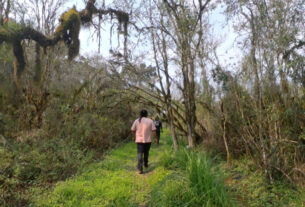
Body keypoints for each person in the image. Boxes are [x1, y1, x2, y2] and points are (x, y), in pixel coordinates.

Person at [131, 109, 157, 174]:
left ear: (140, 114)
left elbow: (133, 130)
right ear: (146, 114)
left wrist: (133, 137)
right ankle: (145, 163)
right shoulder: (150, 121)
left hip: (139, 140)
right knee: (146, 152)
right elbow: (154, 130)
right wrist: (155, 138)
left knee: (139, 153)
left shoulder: (136, 121)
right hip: (148, 140)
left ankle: (140, 169)